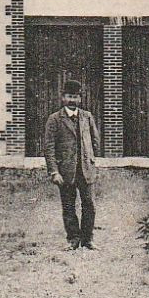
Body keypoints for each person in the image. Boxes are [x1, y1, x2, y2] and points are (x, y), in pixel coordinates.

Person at [42, 80, 101, 250]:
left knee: (89, 204)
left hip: (85, 169)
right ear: (63, 98)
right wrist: (54, 171)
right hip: (65, 171)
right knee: (68, 206)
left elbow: (95, 140)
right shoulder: (54, 119)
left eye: (75, 97)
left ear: (80, 99)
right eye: (69, 96)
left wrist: (90, 159)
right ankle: (73, 239)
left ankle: (88, 239)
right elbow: (49, 148)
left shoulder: (87, 116)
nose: (72, 100)